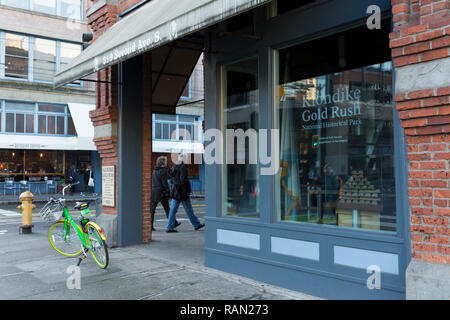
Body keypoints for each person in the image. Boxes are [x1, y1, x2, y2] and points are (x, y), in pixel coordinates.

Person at [166, 154, 205, 233]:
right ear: (183, 159)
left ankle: (169, 227)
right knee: (189, 210)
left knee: (173, 210)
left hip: (175, 192)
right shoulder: (183, 167)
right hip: (183, 193)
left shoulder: (174, 167)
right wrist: (187, 190)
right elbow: (183, 180)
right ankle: (196, 224)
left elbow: (171, 180)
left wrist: (176, 184)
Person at [150, 156, 179, 231]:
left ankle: (150, 226)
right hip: (162, 192)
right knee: (167, 209)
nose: (166, 162)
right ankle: (173, 223)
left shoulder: (154, 170)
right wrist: (168, 192)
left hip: (154, 191)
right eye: (165, 161)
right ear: (162, 162)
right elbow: (164, 183)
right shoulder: (163, 170)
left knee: (152, 210)